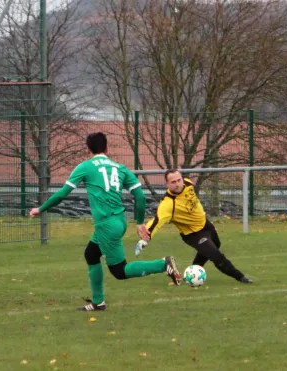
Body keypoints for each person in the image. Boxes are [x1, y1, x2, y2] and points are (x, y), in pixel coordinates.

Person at [30, 132, 182, 312]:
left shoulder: (85, 167)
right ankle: (98, 302)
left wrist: (40, 209)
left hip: (106, 225)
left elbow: (63, 193)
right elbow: (140, 197)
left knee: (120, 271)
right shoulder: (120, 168)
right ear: (107, 148)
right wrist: (140, 223)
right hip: (118, 221)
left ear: (88, 149)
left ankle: (163, 264)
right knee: (91, 254)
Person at [134, 169, 253, 284]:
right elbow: (156, 222)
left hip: (206, 224)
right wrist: (145, 238)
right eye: (173, 182)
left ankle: (192, 271)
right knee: (216, 255)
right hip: (193, 234)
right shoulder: (168, 204)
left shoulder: (188, 183)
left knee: (216, 245)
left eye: (178, 180)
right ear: (167, 184)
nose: (177, 184)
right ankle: (241, 277)